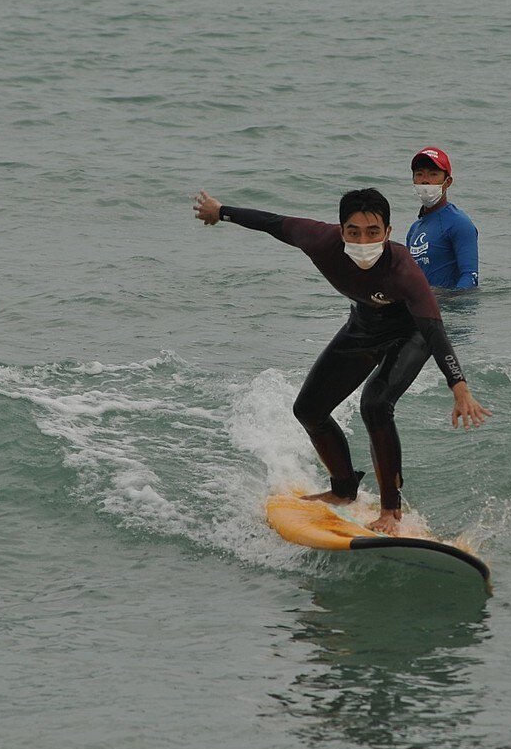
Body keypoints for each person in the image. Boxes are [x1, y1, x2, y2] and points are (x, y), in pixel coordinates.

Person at [193, 186, 491, 534]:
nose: (363, 240)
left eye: (373, 232)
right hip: (364, 328)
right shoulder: (320, 241)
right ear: (340, 229)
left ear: (388, 233)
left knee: (376, 403)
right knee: (308, 410)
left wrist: (459, 386)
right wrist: (221, 211)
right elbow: (274, 223)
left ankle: (390, 511)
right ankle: (344, 490)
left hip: (411, 333)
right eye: (353, 232)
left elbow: (434, 330)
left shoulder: (403, 270)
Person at [405, 146, 480, 289]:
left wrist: (443, 299)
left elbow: (470, 278)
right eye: (419, 174)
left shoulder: (459, 223)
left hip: (451, 310)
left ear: (448, 182)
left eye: (433, 174)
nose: (425, 180)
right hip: (420, 309)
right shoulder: (414, 229)